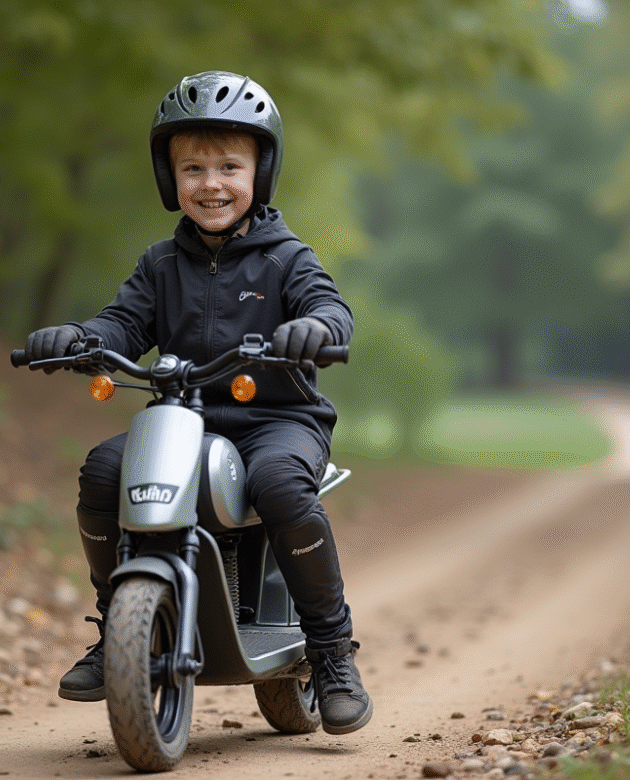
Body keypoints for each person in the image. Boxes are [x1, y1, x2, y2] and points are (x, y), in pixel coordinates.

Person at [22, 71, 371, 735]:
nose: (211, 183)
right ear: (170, 178)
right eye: (193, 167)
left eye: (229, 166)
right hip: (183, 422)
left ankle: (331, 653)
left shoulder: (287, 258)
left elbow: (332, 309)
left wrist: (317, 330)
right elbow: (122, 325)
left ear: (260, 172)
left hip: (279, 420)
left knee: (278, 484)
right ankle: (115, 626)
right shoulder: (160, 266)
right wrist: (81, 340)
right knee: (103, 469)